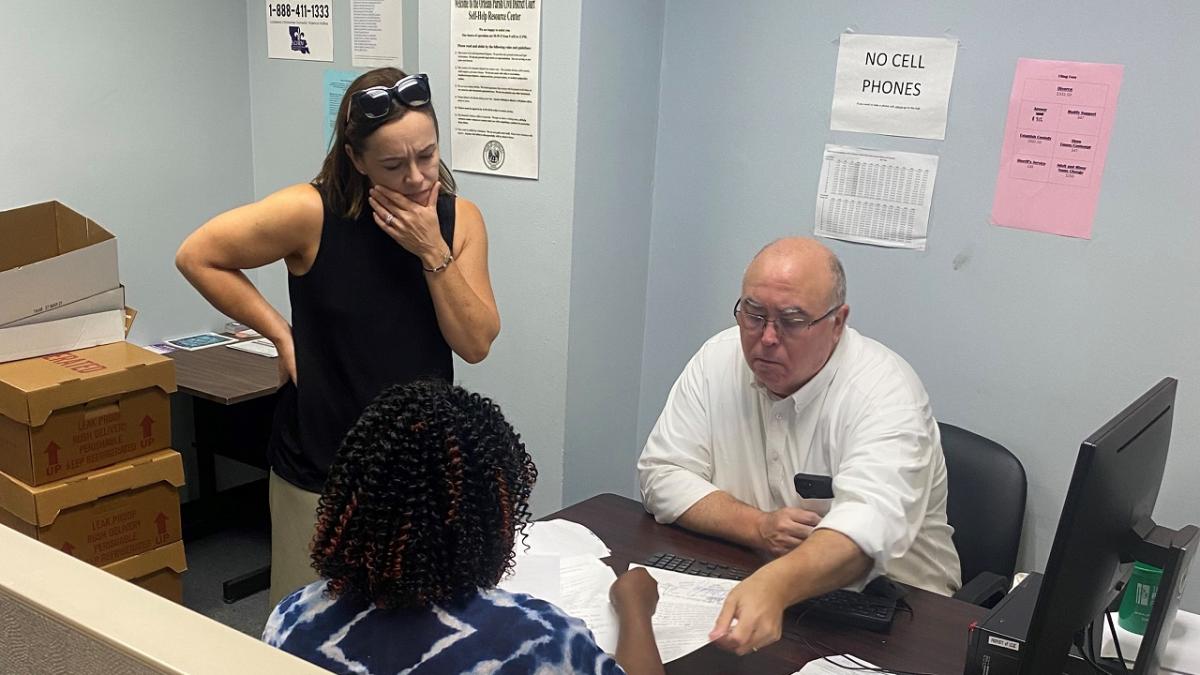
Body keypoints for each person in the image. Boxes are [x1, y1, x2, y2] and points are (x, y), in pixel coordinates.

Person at [176, 68, 500, 604]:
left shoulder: (459, 220)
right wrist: (282, 334)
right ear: (356, 160)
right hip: (320, 466)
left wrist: (431, 252)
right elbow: (198, 255)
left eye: (428, 154)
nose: (418, 178)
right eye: (394, 166)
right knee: (310, 632)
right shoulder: (309, 212)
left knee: (415, 631)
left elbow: (476, 343)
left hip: (419, 470)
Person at [636, 237, 960, 654]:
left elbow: (868, 528)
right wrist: (758, 526)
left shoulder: (884, 391)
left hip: (898, 616)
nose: (767, 338)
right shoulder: (717, 359)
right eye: (754, 315)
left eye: (791, 321)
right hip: (763, 591)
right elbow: (661, 473)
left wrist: (775, 583)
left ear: (837, 322)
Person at [263, 380, 665, 675]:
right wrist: (635, 610)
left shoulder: (292, 619)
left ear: (350, 505)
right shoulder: (537, 640)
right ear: (497, 520)